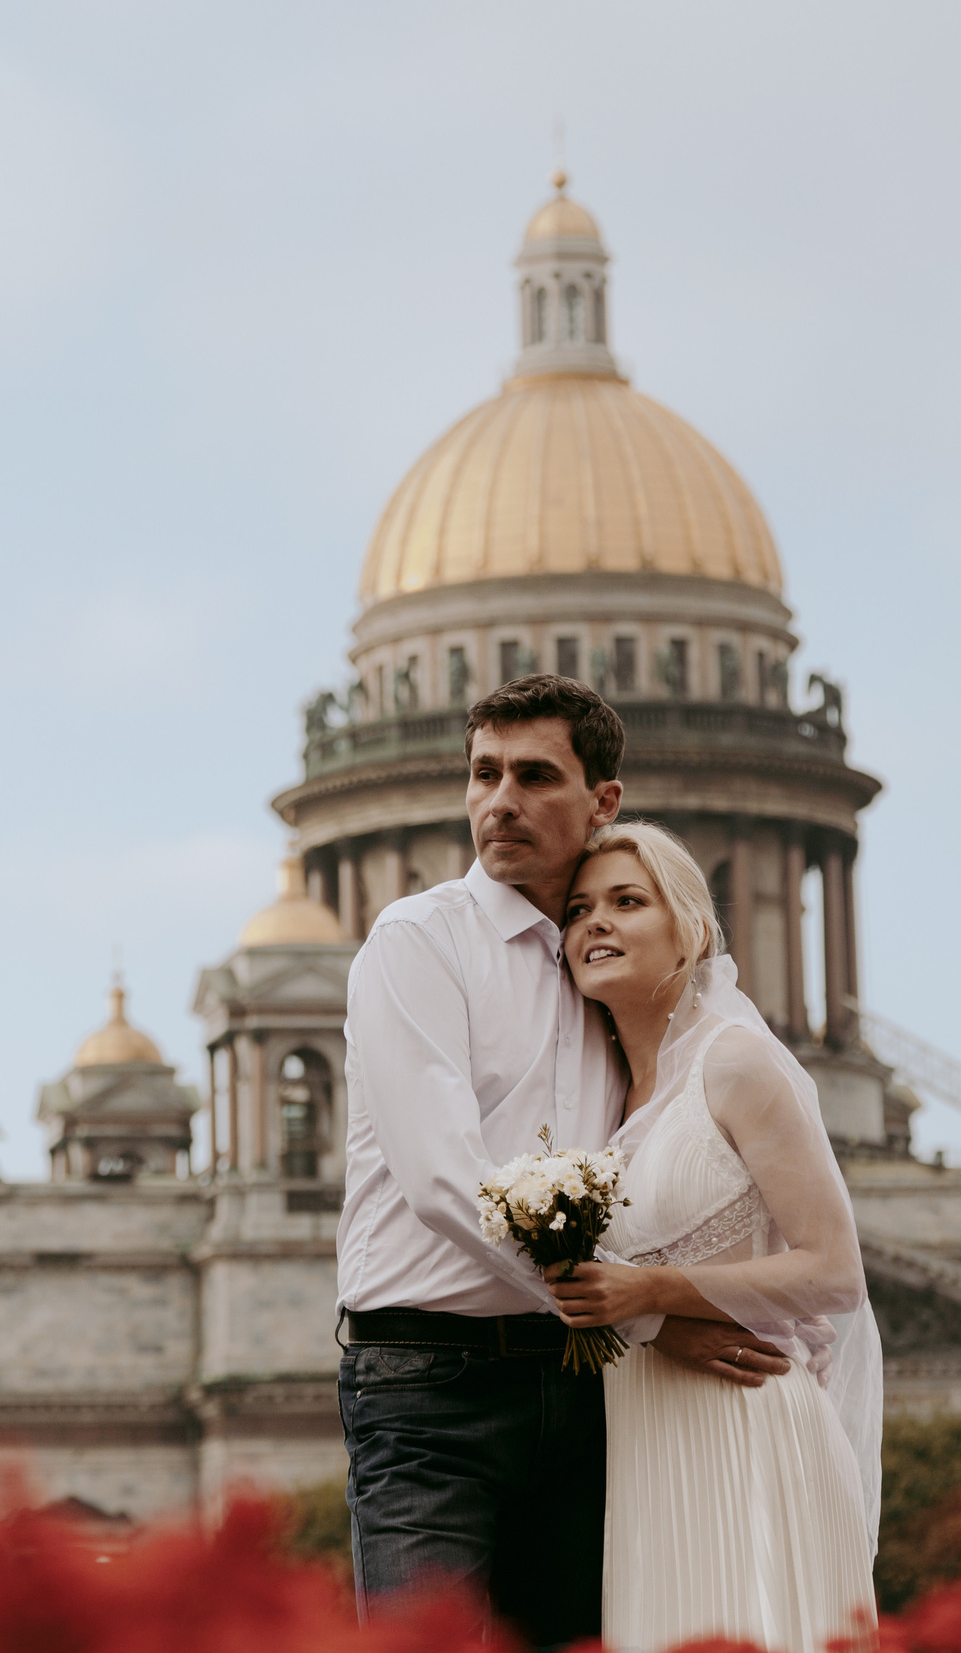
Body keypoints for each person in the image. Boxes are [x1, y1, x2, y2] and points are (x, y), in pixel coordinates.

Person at [337, 674, 797, 1650]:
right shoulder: (416, 944)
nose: (498, 800)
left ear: (603, 801)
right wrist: (642, 1319)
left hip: (586, 1395)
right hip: (430, 1390)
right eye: (482, 774)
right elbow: (443, 1185)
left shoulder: (613, 969)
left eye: (533, 775)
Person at [548, 819, 883, 1651]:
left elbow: (836, 1271)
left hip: (746, 1424)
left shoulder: (736, 1062)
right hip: (644, 1443)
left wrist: (650, 1292)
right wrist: (647, 1318)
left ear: (690, 928)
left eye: (628, 900)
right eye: (579, 907)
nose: (596, 922)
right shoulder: (602, 1102)